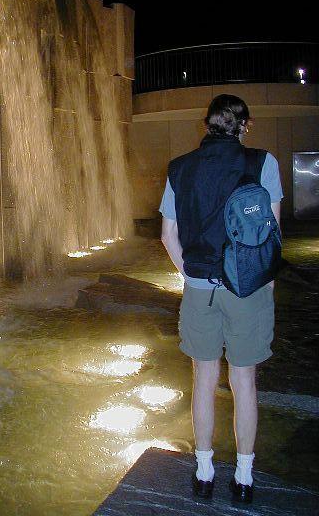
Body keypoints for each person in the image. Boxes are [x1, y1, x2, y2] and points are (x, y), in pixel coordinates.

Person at [159, 94, 283, 504]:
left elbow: (167, 235)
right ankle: (245, 476)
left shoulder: (179, 168)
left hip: (199, 291)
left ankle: (204, 469)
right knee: (244, 381)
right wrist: (266, 289)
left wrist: (191, 275)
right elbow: (270, 239)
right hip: (247, 290)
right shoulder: (262, 163)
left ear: (207, 125)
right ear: (243, 126)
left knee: (203, 380)